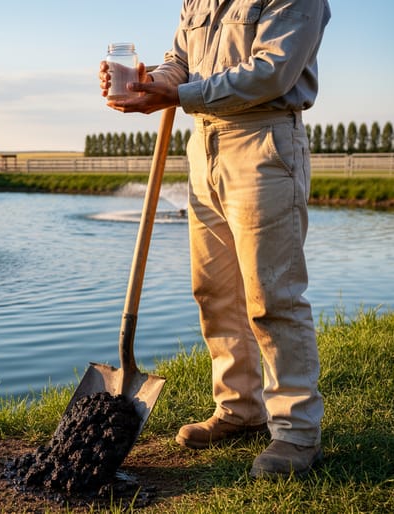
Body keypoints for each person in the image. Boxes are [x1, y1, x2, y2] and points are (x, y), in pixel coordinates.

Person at [99, 0, 331, 479]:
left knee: (272, 295)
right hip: (203, 146)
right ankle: (240, 408)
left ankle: (295, 433)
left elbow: (272, 71)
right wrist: (152, 84)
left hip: (263, 140)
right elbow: (179, 59)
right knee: (214, 291)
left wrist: (178, 95)